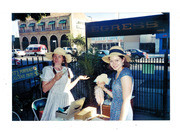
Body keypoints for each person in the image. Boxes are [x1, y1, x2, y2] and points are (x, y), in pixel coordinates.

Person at [40, 47, 89, 121]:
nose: (56, 58)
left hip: (67, 99)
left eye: (59, 56)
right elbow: (44, 89)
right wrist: (55, 79)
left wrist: (78, 78)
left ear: (63, 59)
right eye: (55, 56)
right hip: (55, 100)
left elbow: (67, 87)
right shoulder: (48, 70)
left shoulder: (67, 70)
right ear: (52, 58)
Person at [97, 46, 134, 120]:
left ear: (123, 60)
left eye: (117, 60)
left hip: (123, 113)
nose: (114, 63)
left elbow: (126, 101)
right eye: (111, 61)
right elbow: (116, 97)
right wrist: (103, 88)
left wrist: (121, 121)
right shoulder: (117, 73)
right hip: (115, 110)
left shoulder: (125, 74)